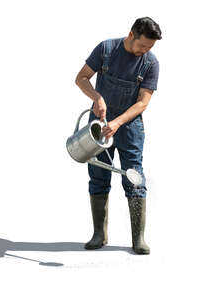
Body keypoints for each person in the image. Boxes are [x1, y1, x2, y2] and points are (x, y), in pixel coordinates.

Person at [75, 17, 162, 254]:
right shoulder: (106, 49)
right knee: (98, 173)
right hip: (99, 123)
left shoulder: (150, 63)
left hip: (130, 126)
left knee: (134, 176)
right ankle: (99, 234)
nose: (146, 51)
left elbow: (143, 102)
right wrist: (96, 97)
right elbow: (81, 78)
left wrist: (118, 122)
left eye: (150, 47)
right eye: (143, 45)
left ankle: (138, 238)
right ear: (131, 34)